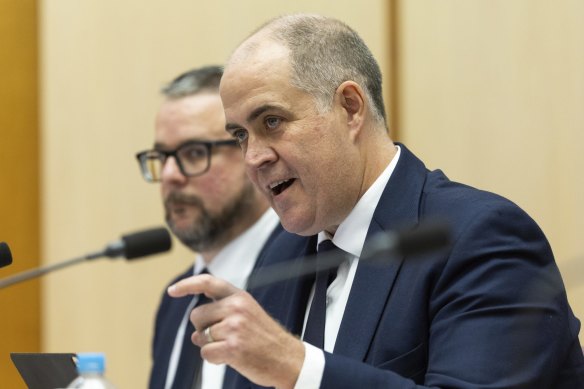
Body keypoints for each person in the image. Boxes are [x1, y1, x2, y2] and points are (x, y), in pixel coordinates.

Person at [168, 15, 584, 389]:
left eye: (271, 122)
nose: (253, 157)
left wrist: (297, 367)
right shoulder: (282, 253)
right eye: (241, 135)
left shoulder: (481, 239)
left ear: (350, 107)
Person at [135, 65, 280, 389]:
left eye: (194, 152)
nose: (171, 174)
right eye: (162, 156)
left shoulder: (301, 273)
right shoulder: (176, 300)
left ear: (249, 151)